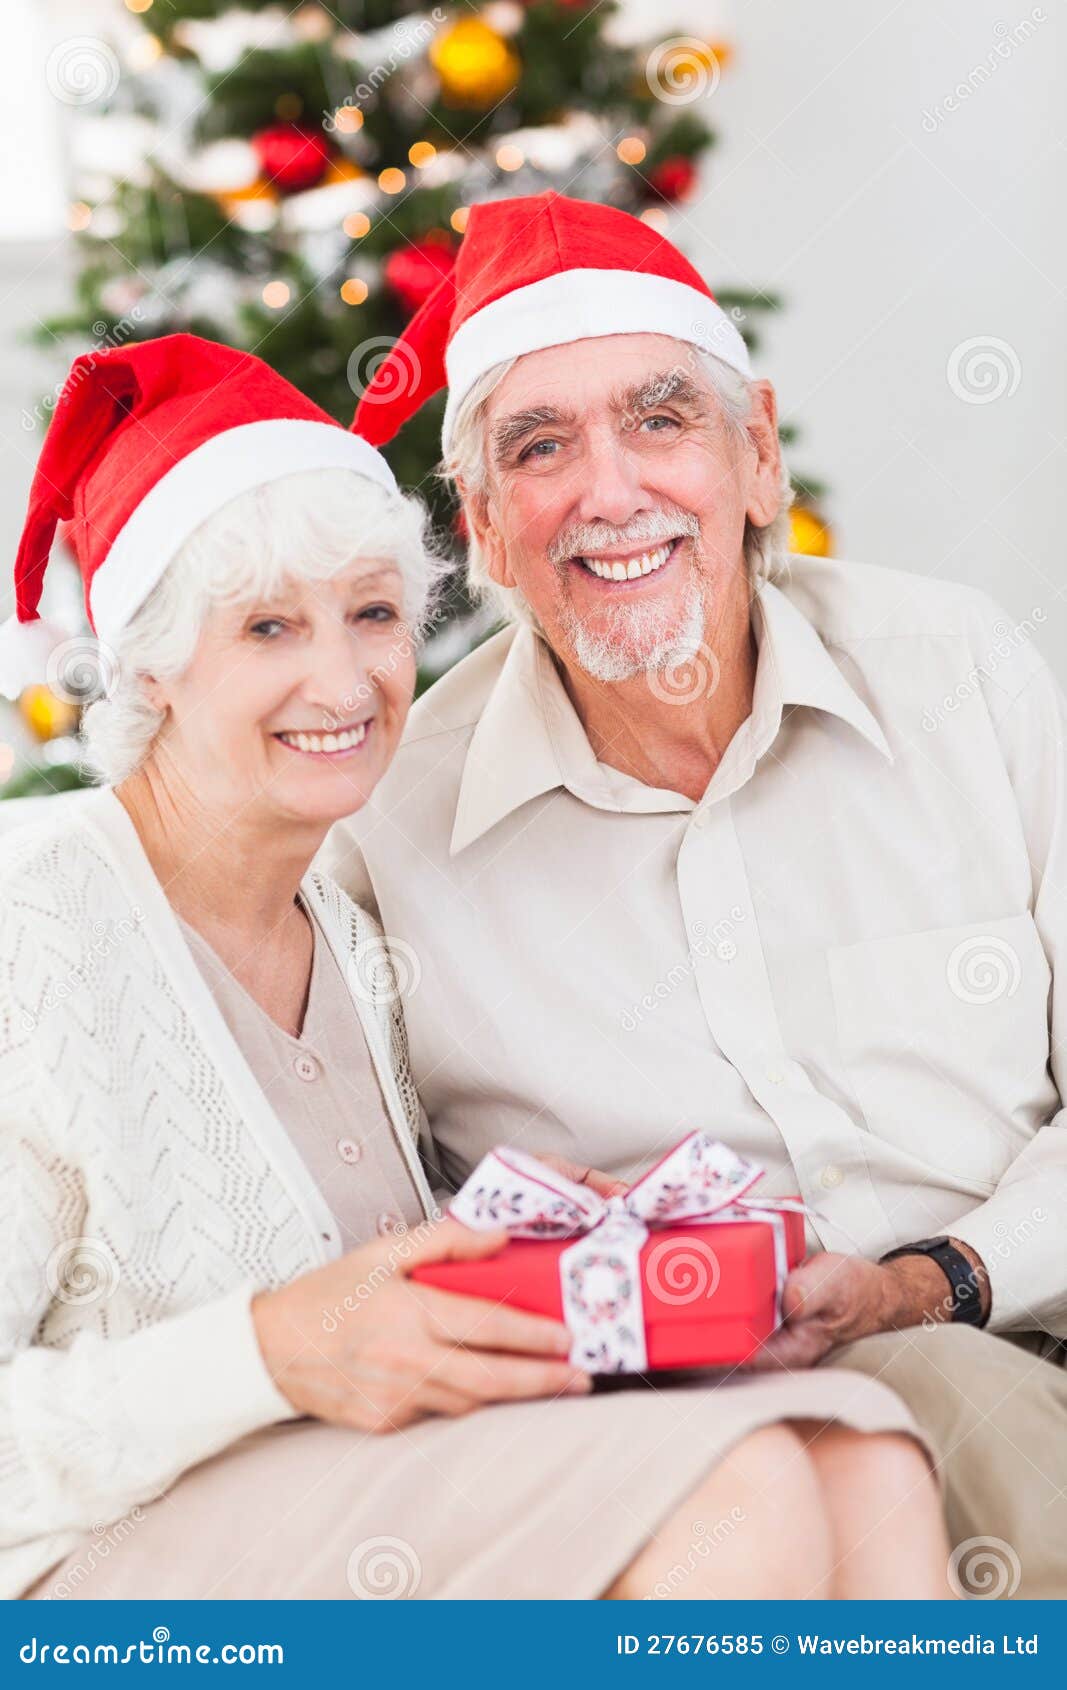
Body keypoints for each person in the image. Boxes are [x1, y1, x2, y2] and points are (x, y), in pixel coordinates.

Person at [0, 334, 949, 1602]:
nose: (341, 680)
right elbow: (292, 1340)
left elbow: (365, 1312)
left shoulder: (340, 926)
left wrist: (536, 1239)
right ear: (153, 664)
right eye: (269, 626)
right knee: (744, 1485)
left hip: (341, 1484)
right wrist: (270, 1354)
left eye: (373, 615)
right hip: (102, 1560)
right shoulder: (36, 927)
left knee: (858, 1452)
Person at [319, 191, 1067, 1598]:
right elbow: (373, 1239)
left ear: (757, 457)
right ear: (480, 525)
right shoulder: (384, 827)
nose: (609, 493)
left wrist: (938, 1275)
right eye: (540, 450)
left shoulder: (958, 670)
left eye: (658, 420)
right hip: (729, 1421)